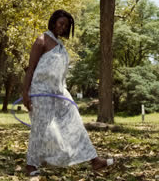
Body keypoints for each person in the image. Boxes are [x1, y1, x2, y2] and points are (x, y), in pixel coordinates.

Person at [22, 9, 113, 176]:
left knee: (75, 122)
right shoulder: (41, 40)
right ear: (53, 22)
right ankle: (31, 165)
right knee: (41, 128)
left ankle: (94, 160)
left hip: (60, 91)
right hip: (41, 91)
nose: (63, 27)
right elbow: (30, 69)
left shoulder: (60, 44)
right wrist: (25, 93)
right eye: (61, 23)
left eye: (66, 26)